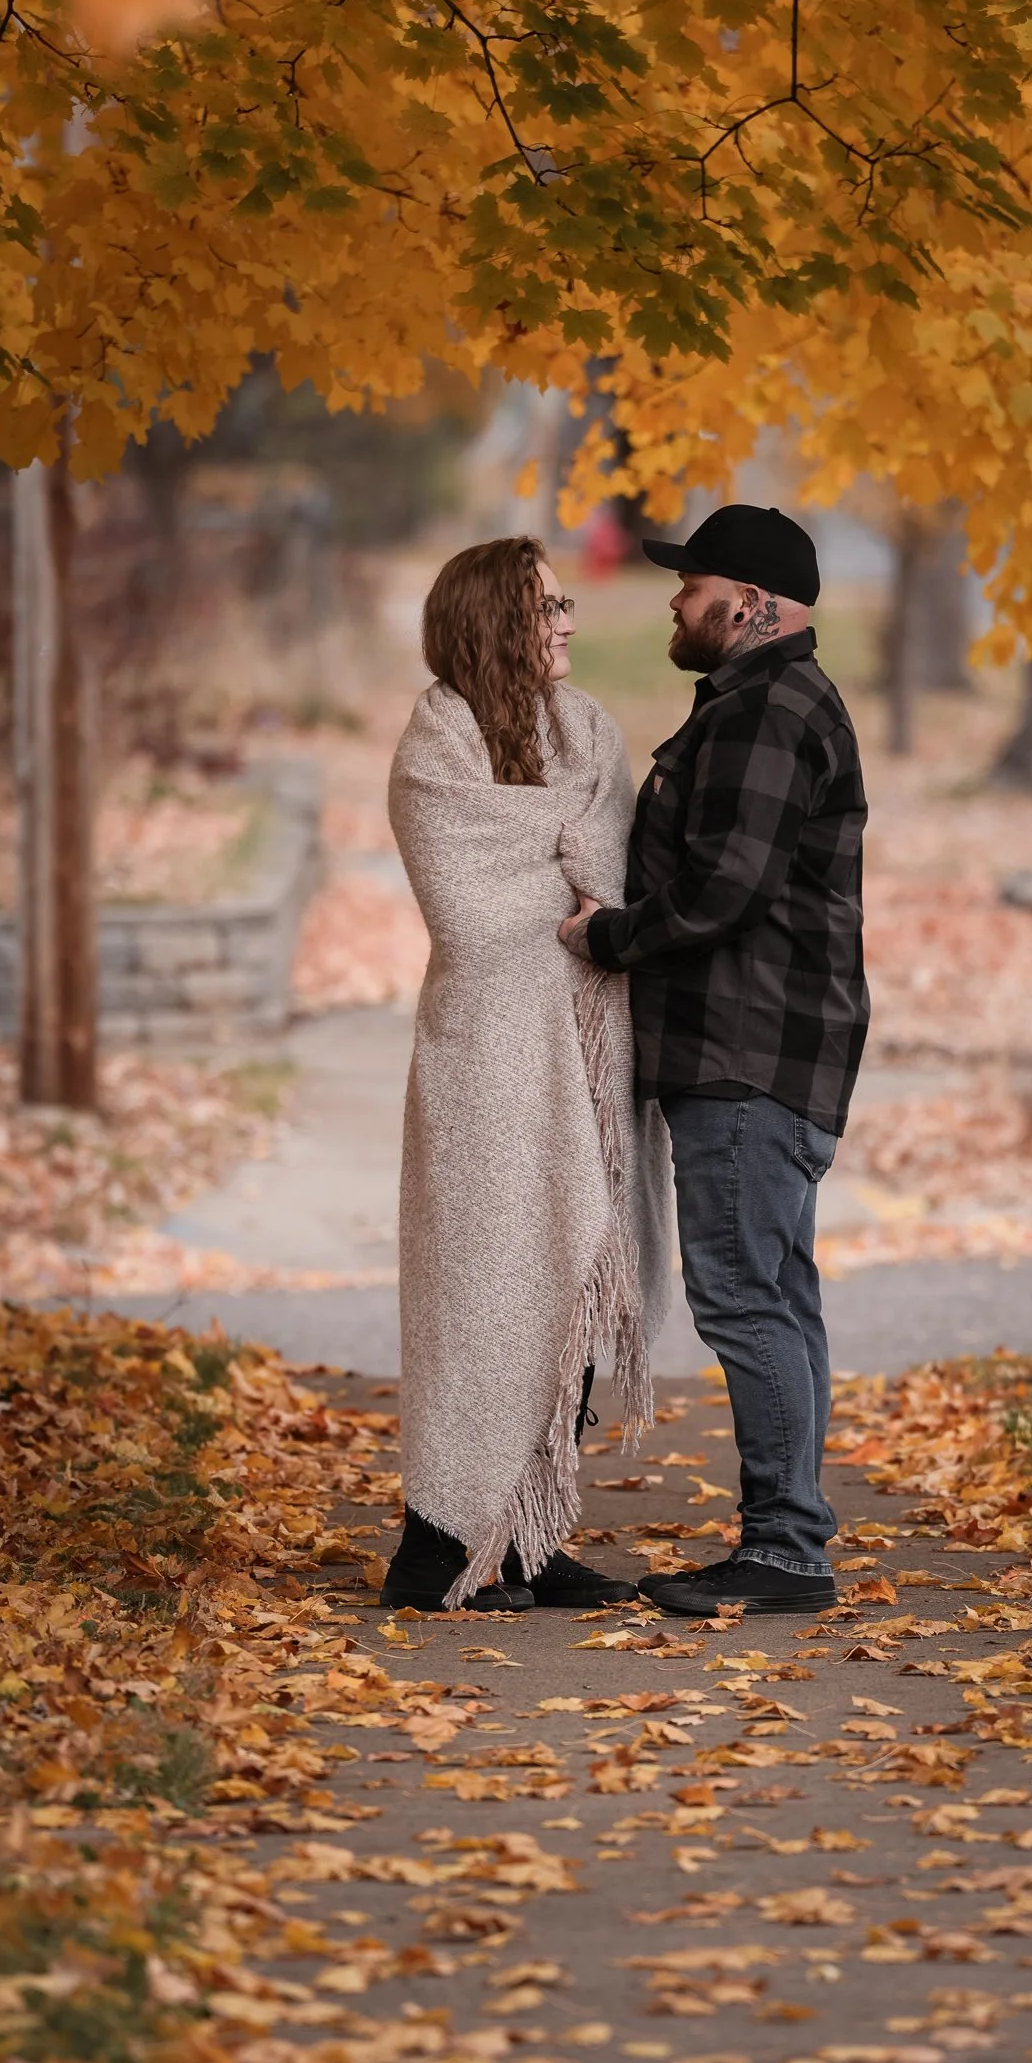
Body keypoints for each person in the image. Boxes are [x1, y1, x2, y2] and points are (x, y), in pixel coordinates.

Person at [561, 504, 868, 1615]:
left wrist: (607, 936)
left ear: (753, 605)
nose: (675, 600)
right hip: (769, 1051)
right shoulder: (766, 701)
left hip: (747, 1053)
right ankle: (794, 1537)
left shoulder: (767, 710)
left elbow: (723, 891)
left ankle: (787, 1550)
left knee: (744, 1297)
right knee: (778, 1294)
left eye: (694, 585)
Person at [381, 537, 673, 1613]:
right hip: (487, 1051)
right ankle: (441, 1538)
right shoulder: (436, 743)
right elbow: (471, 911)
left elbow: (611, 874)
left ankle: (529, 1540)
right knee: (483, 1285)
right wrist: (563, 862)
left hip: (592, 1038)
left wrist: (559, 863)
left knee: (585, 1267)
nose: (568, 622)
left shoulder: (591, 727)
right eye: (548, 605)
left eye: (565, 604)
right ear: (496, 618)